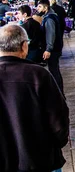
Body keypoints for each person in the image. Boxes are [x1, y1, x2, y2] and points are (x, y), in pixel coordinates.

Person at [0, 24, 70, 172]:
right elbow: (58, 119)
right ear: (24, 46)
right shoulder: (38, 75)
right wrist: (56, 144)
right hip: (40, 160)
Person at [37, 0, 64, 92]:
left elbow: (50, 34)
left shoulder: (49, 19)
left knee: (54, 71)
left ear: (46, 7)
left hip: (53, 50)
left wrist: (48, 49)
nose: (38, 9)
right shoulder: (50, 16)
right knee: (54, 69)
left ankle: (59, 92)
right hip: (55, 48)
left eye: (40, 6)